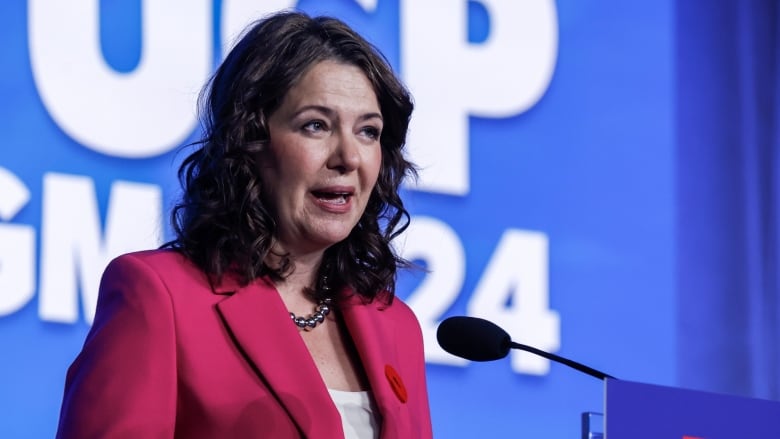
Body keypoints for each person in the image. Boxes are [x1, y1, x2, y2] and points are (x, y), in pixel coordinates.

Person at [55, 10, 432, 439]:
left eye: (368, 131)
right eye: (316, 126)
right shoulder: (162, 297)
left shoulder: (395, 327)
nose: (348, 157)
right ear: (249, 141)